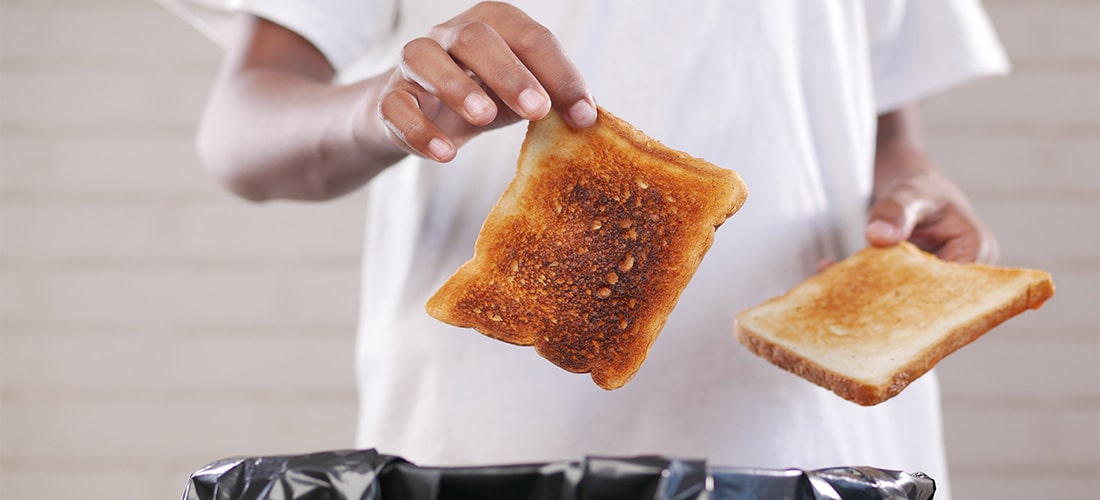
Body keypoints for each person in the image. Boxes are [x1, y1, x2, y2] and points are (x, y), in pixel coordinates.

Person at [166, 1, 1008, 498]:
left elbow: (890, 132)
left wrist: (919, 190)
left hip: (825, 452)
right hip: (486, 454)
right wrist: (385, 107)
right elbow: (240, 128)